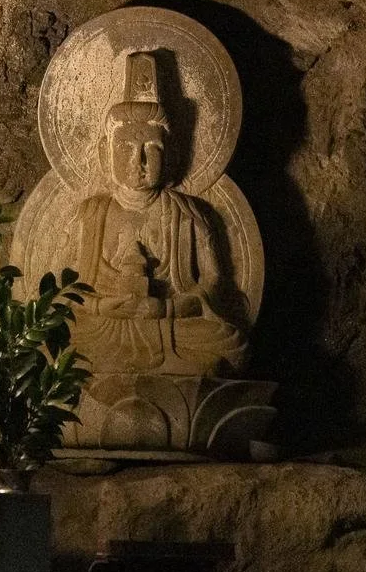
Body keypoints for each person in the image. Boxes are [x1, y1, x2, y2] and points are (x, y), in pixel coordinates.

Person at [69, 51, 248, 377]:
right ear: (104, 153)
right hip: (105, 327)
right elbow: (67, 289)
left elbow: (212, 282)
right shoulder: (92, 213)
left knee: (228, 340)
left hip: (169, 326)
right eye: (125, 148)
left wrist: (167, 308)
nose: (138, 161)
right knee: (57, 342)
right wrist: (100, 306)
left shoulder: (189, 213)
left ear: (173, 156)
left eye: (152, 149)